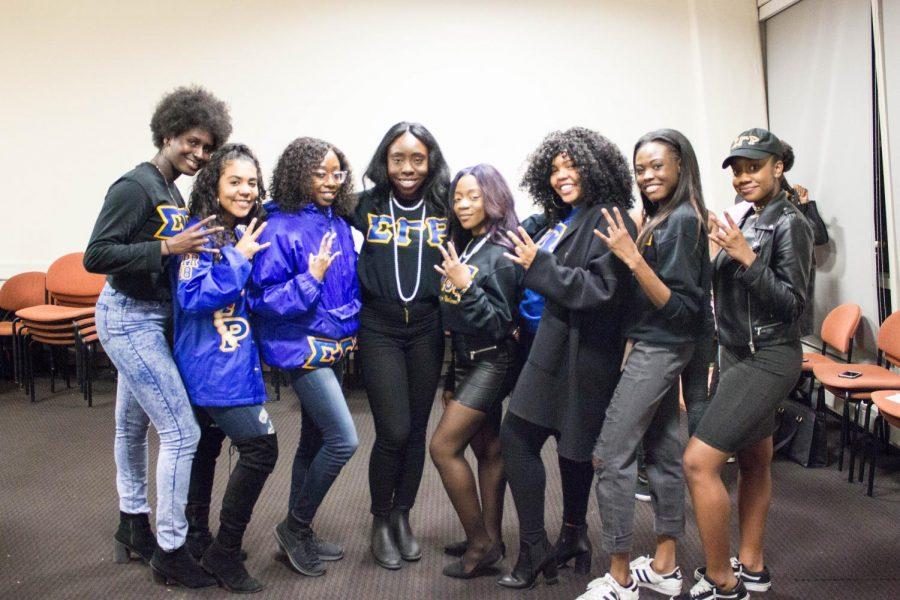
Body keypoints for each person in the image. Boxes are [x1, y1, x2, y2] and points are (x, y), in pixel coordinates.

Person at [85, 85, 231, 589]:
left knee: (131, 427)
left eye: (207, 148)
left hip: (152, 316)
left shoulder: (171, 190)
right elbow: (97, 256)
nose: (198, 154)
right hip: (128, 316)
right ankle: (171, 548)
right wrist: (168, 248)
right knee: (181, 432)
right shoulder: (135, 186)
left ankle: (132, 523)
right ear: (167, 134)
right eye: (191, 142)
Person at [677, 128, 812, 600]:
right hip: (737, 353)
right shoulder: (750, 219)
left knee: (698, 463)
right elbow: (728, 300)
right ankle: (752, 565)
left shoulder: (789, 223)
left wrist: (744, 256)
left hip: (770, 356)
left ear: (779, 166)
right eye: (736, 169)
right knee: (756, 461)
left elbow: (794, 307)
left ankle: (722, 580)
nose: (742, 176)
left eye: (753, 166)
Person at [498, 127, 636, 589]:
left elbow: (600, 290)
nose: (561, 176)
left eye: (571, 166)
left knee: (525, 439)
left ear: (595, 167)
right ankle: (570, 537)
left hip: (581, 355)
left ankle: (540, 545)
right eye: (554, 169)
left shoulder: (611, 218)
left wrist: (538, 264)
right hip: (551, 349)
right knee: (565, 445)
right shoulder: (571, 217)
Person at [578, 129, 710, 599]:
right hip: (659, 347)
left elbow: (680, 309)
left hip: (660, 347)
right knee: (663, 451)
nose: (648, 175)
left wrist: (634, 259)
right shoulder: (664, 217)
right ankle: (666, 565)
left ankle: (618, 577)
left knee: (610, 456)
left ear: (680, 167)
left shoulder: (682, 222)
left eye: (657, 165)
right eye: (641, 168)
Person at [247, 137, 360, 578]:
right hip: (303, 350)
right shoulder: (280, 228)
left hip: (333, 345)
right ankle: (293, 527)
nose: (331, 182)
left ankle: (302, 528)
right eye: (320, 173)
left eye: (337, 173)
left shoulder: (336, 222)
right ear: (299, 174)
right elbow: (264, 299)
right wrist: (310, 280)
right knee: (343, 440)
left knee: (313, 444)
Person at [173, 143, 276, 593]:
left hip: (229, 362)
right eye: (235, 181)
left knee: (208, 447)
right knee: (261, 449)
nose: (246, 190)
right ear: (214, 185)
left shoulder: (237, 232)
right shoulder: (201, 235)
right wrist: (240, 257)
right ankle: (224, 553)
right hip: (211, 368)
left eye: (252, 182)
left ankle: (197, 537)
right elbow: (192, 298)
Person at [350, 122, 450, 570]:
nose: (407, 168)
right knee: (392, 429)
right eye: (397, 159)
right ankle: (379, 520)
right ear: (384, 161)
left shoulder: (445, 205)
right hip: (380, 328)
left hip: (427, 328)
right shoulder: (366, 204)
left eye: (417, 159)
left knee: (415, 431)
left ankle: (402, 515)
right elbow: (307, 202)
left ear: (430, 161)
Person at [429, 164, 523, 579]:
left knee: (443, 448)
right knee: (488, 451)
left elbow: (499, 322)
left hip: (492, 359)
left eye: (473, 196)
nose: (463, 204)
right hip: (467, 359)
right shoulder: (467, 245)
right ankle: (491, 537)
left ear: (494, 198)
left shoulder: (500, 251)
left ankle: (481, 543)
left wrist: (465, 285)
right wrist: (451, 372)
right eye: (458, 197)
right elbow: (457, 319)